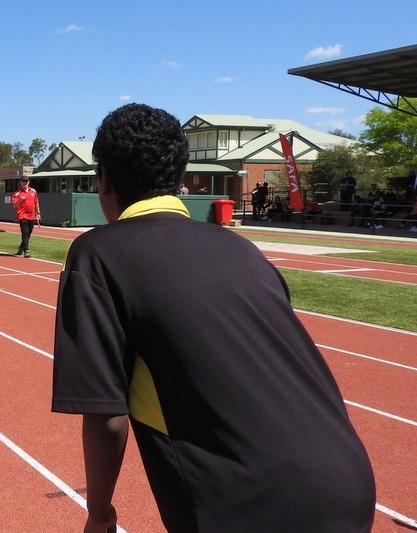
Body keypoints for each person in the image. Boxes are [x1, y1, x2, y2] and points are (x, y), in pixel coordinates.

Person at [51, 103, 376, 533]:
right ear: (180, 176)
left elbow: (104, 413)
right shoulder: (241, 248)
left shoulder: (99, 253)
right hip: (348, 483)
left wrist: (100, 513)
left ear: (104, 179)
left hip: (243, 503)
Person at [11, 177, 40, 258]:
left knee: (28, 233)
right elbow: (14, 205)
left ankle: (21, 247)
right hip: (22, 215)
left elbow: (36, 202)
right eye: (23, 181)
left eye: (26, 181)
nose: (25, 182)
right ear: (20, 182)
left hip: (32, 215)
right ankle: (26, 250)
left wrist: (38, 213)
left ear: (29, 182)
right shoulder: (17, 193)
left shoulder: (33, 191)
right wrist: (20, 200)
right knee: (25, 233)